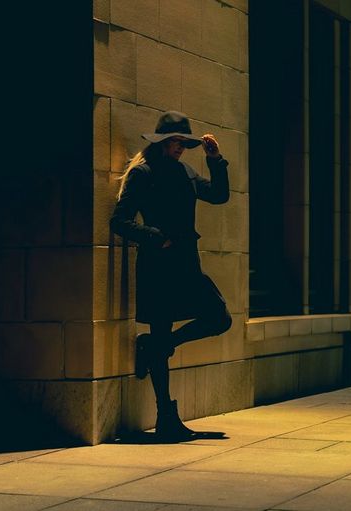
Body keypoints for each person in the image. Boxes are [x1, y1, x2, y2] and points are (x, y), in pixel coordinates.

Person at [110, 110, 233, 441]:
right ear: (163, 142)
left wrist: (215, 159)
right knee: (161, 327)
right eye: (175, 142)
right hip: (157, 265)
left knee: (219, 317)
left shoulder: (187, 171)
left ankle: (155, 345)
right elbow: (119, 222)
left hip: (186, 263)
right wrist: (155, 236)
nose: (180, 148)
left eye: (183, 143)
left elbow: (219, 195)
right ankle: (166, 418)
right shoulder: (143, 173)